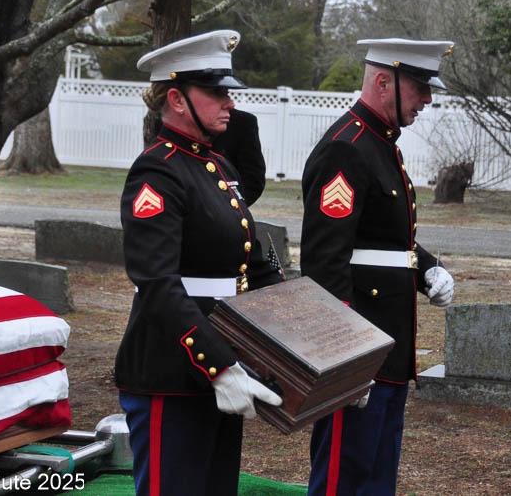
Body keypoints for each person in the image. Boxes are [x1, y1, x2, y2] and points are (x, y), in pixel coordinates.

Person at [114, 30, 284, 496]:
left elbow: (253, 259)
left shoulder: (218, 167)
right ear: (176, 99)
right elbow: (157, 282)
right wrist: (218, 366)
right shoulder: (157, 171)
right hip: (173, 368)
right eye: (216, 92)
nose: (230, 102)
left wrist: (316, 339)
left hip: (223, 361)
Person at [300, 38, 456, 496]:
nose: (426, 99)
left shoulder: (380, 144)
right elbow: (324, 261)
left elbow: (382, 237)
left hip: (387, 344)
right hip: (359, 346)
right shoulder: (346, 148)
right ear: (384, 81)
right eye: (420, 88)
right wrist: (345, 358)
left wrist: (426, 268)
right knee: (343, 477)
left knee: (376, 476)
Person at [211, 108, 266, 206]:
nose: (230, 104)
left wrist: (229, 208)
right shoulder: (181, 123)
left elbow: (253, 180)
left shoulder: (242, 122)